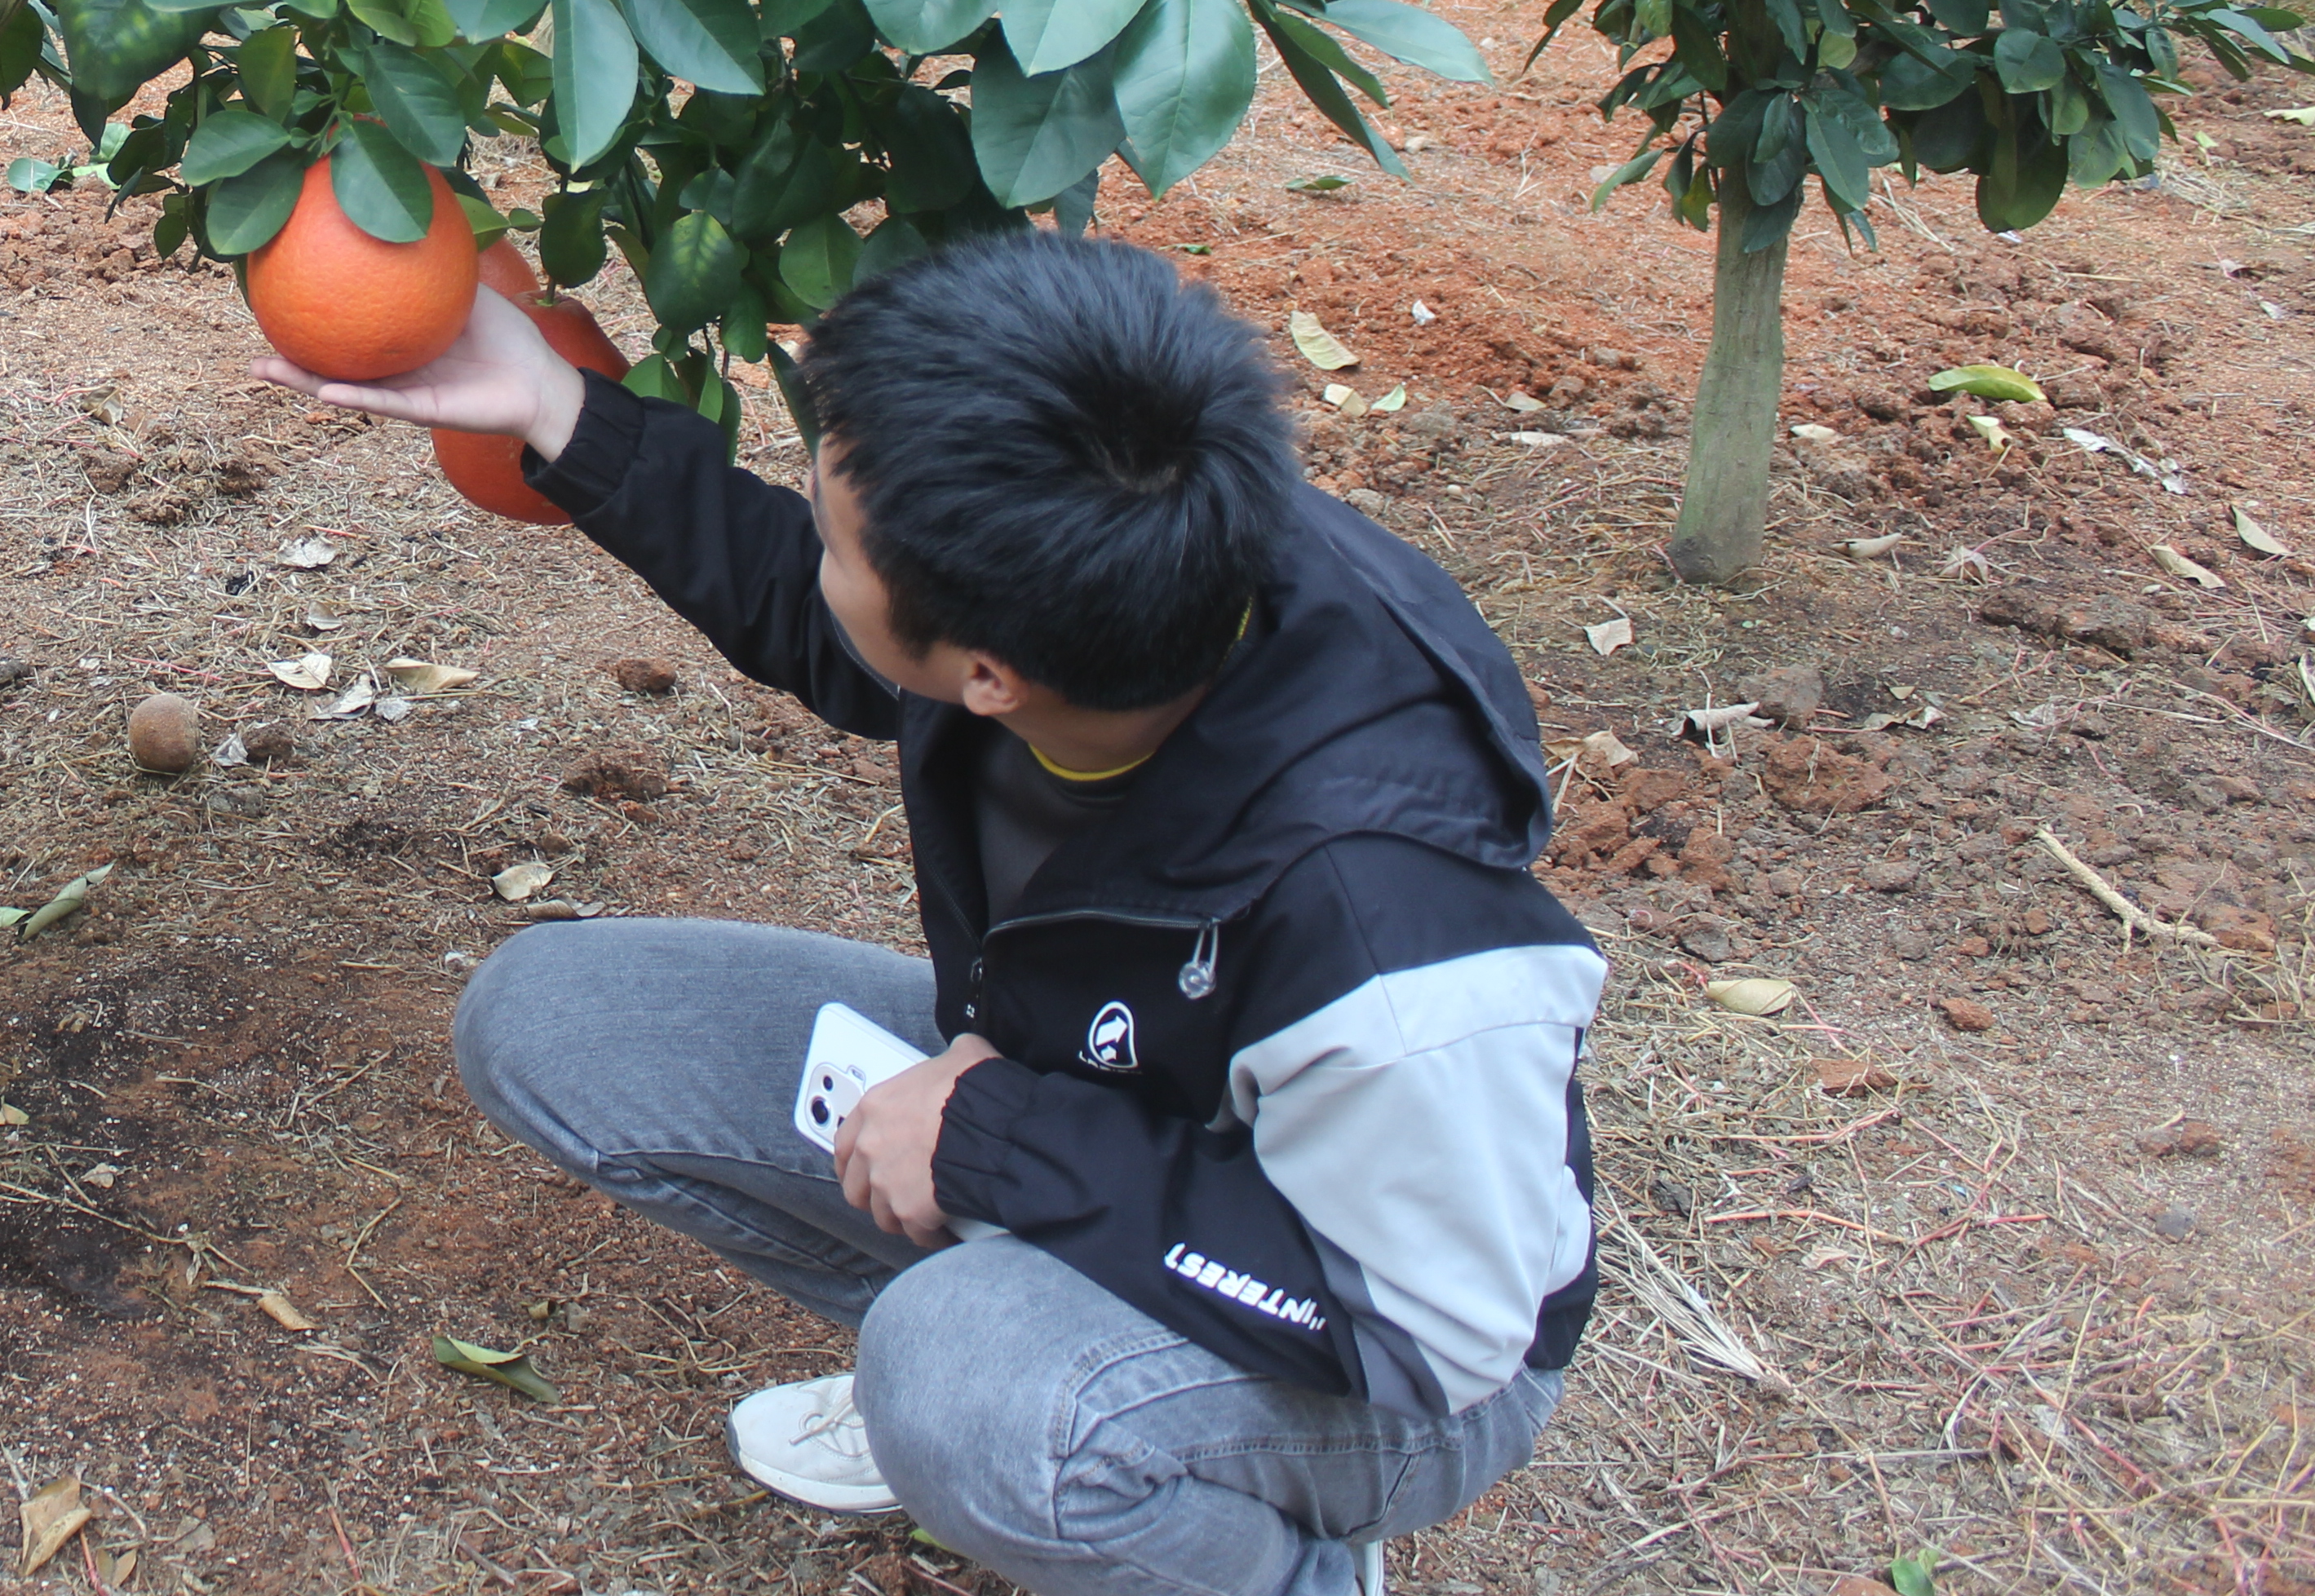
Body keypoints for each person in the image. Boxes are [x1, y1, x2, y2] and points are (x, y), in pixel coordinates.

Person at [256, 227, 1597, 1596]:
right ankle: (1019, 1332)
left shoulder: (1392, 942)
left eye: (840, 538)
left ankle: (1223, 1526)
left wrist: (999, 1144)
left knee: (960, 1382)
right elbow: (830, 620)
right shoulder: (1132, 554)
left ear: (991, 674)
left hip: (1387, 1350)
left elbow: (1437, 1336)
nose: (818, 556)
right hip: (1101, 1097)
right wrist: (555, 406)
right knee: (562, 1021)